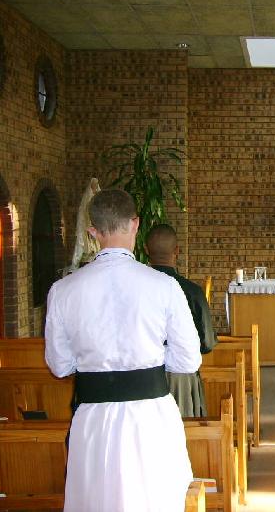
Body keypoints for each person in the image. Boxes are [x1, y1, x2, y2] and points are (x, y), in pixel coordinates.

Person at [44, 189, 201, 512]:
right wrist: (149, 362)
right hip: (150, 414)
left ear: (93, 231)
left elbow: (60, 365)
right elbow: (188, 359)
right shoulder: (164, 286)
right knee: (155, 500)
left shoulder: (62, 291)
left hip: (93, 417)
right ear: (135, 224)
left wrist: (93, 363)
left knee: (96, 501)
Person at [146, 223, 217, 417]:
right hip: (182, 378)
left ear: (146, 250)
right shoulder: (192, 292)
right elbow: (207, 343)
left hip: (143, 375)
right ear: (177, 250)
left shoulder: (136, 291)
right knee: (183, 428)